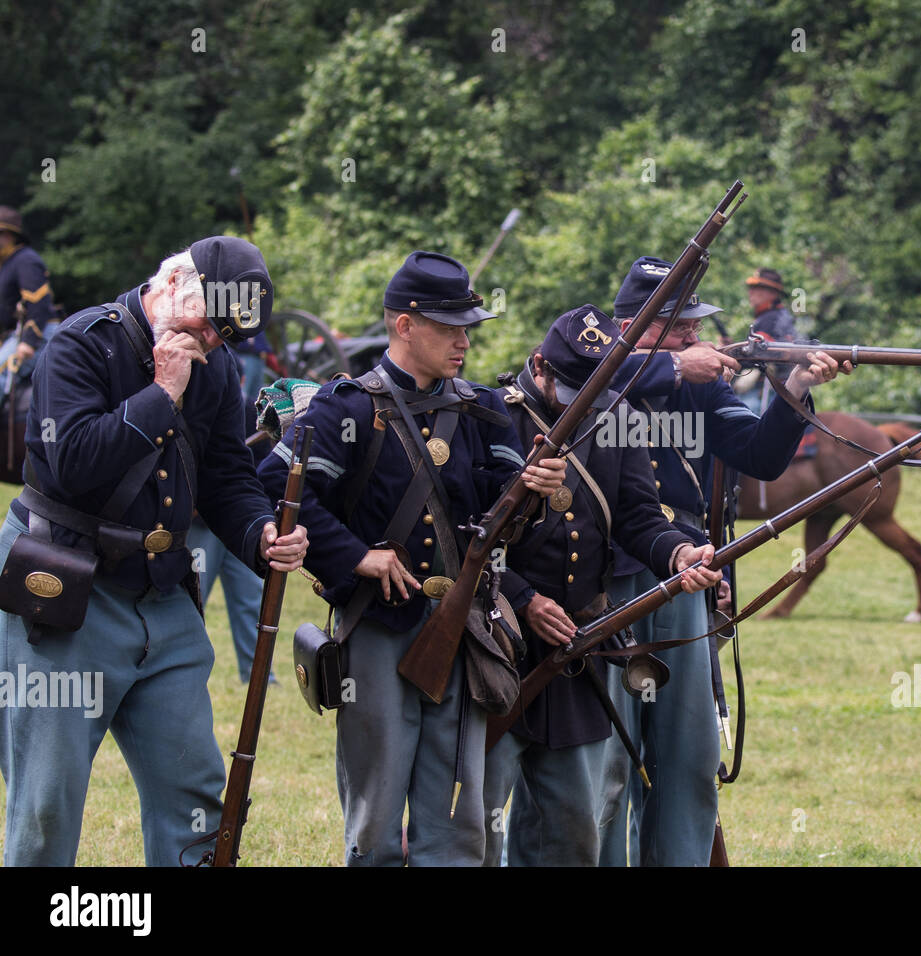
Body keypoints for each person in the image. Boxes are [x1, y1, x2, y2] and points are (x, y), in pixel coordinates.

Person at [0, 236, 309, 866]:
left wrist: (260, 535)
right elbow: (73, 460)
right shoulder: (82, 342)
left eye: (228, 333)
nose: (214, 342)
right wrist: (161, 393)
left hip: (163, 598)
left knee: (194, 793)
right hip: (66, 595)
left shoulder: (215, 366)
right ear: (170, 285)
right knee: (46, 805)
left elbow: (226, 475)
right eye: (210, 324)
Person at [259, 251, 567, 866]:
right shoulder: (344, 407)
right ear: (404, 325)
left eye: (467, 328)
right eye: (450, 328)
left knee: (456, 821)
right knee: (374, 818)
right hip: (377, 626)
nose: (464, 342)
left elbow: (501, 519)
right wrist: (355, 557)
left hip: (463, 628)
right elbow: (280, 487)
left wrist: (533, 489)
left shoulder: (483, 410)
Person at [597, 255, 850, 866]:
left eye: (693, 326)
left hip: (686, 574)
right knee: (606, 758)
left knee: (687, 754)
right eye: (681, 326)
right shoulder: (594, 370)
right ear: (637, 324)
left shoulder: (703, 387)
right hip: (604, 579)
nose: (694, 336)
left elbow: (759, 456)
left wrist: (796, 387)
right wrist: (671, 364)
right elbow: (588, 382)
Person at [482, 305, 720, 866]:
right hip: (497, 643)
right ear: (538, 365)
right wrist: (523, 597)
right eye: (570, 386)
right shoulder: (492, 416)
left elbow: (638, 516)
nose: (583, 400)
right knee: (480, 818)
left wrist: (680, 553)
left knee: (572, 827)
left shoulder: (616, 414)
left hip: (577, 647)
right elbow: (464, 534)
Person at [188, 398, 277, 682]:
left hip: (242, 528)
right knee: (193, 598)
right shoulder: (192, 407)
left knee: (251, 600)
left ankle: (258, 674)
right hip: (201, 527)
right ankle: (182, 667)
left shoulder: (252, 415)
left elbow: (259, 468)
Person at [0, 206, 60, 375]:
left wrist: (29, 341)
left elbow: (38, 303)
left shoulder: (25, 260)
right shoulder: (6, 264)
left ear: (9, 235)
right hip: (16, 335)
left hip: (40, 333)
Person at [735, 267, 799, 414]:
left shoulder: (770, 318)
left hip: (768, 388)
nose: (751, 292)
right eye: (751, 288)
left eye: (757, 288)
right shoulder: (774, 316)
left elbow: (754, 355)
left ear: (773, 293)